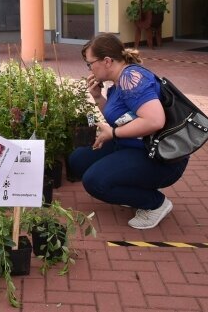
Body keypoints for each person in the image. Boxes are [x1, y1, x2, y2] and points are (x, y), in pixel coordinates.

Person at [67, 33, 188, 230]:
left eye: (90, 63)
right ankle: (130, 186)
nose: (89, 68)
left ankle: (155, 203)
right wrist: (98, 97)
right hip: (133, 145)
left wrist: (113, 134)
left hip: (160, 156)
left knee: (94, 182)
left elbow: (155, 120)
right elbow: (120, 119)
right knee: (78, 160)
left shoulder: (131, 78)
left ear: (107, 61)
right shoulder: (117, 82)